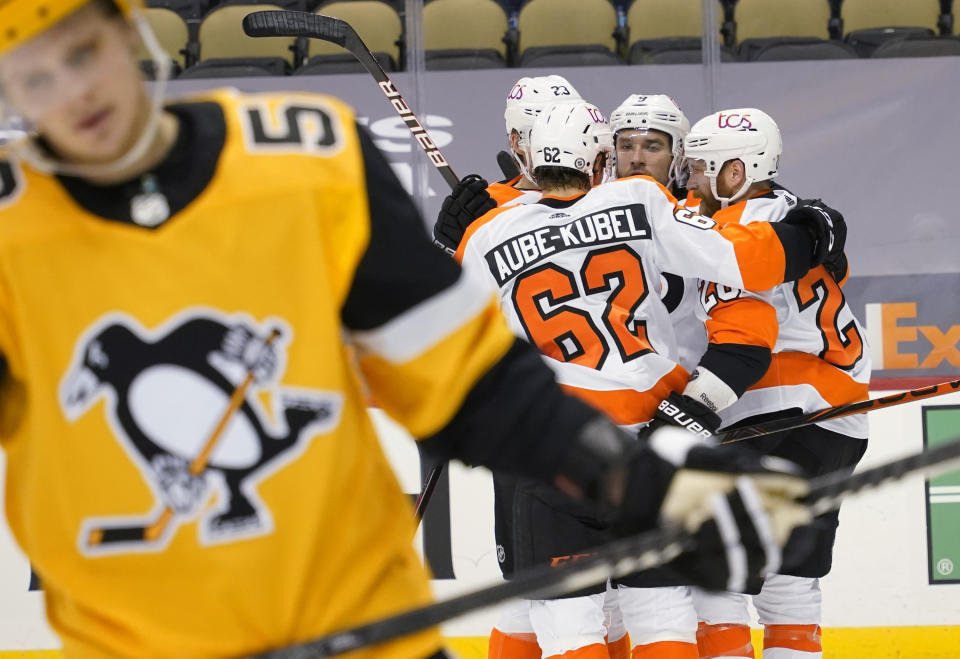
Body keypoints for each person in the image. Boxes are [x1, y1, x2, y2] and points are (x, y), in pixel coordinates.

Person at [0, 3, 816, 658]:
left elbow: (476, 388)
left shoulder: (307, 164)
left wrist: (644, 484)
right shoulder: (9, 237)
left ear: (130, 30)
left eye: (84, 53)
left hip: (361, 626)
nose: (73, 94)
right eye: (34, 77)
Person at [456, 101, 843, 659]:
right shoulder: (640, 200)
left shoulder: (485, 236)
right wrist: (810, 234)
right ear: (600, 162)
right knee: (661, 610)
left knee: (567, 624)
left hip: (550, 446)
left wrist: (454, 242)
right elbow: (745, 260)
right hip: (647, 438)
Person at [680, 109, 870, 659]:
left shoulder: (732, 233)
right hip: (844, 414)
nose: (689, 179)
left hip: (771, 407)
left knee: (715, 572)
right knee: (791, 580)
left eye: (699, 168)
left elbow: (744, 336)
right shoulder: (791, 213)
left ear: (735, 173)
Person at [432, 74, 578, 256]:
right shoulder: (484, 206)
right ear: (517, 142)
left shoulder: (602, 182)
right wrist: (446, 244)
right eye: (547, 133)